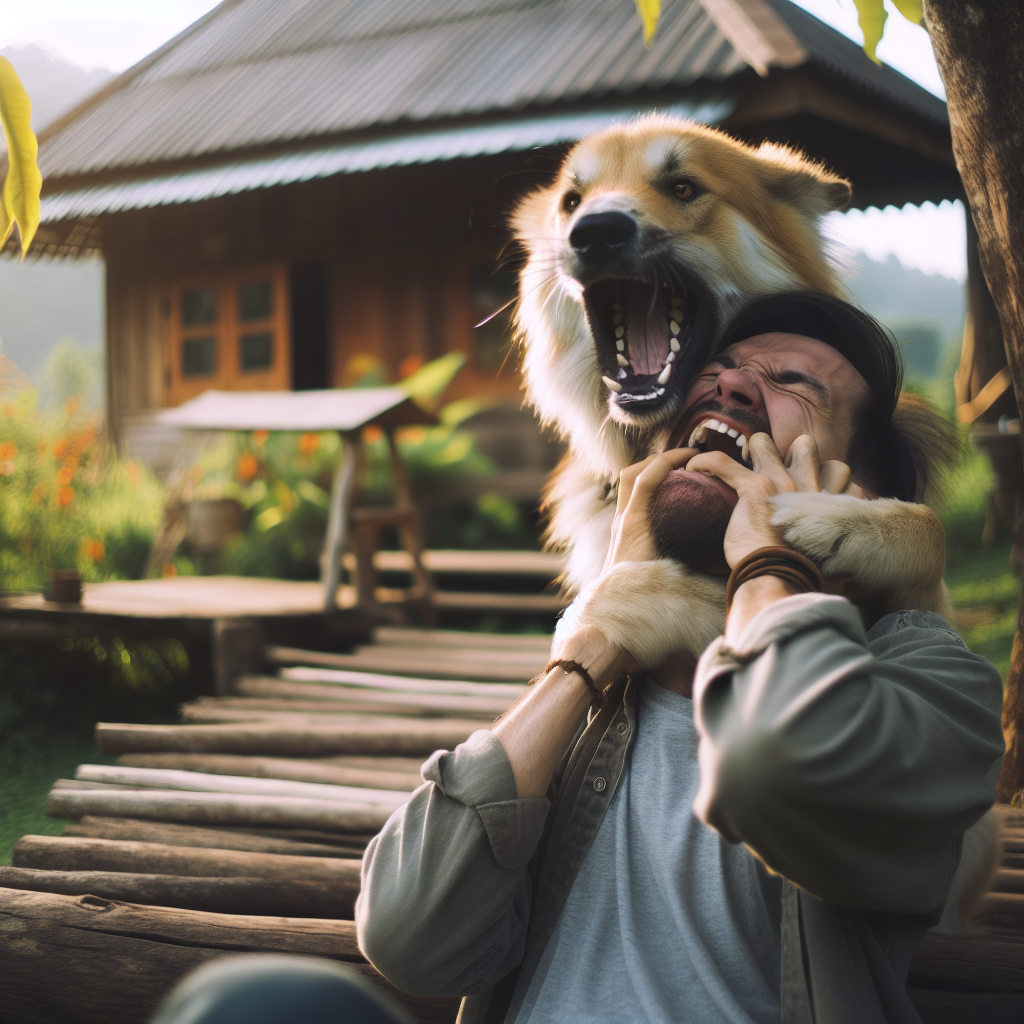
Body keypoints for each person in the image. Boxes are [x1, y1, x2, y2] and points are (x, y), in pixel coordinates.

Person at [356, 293, 1005, 1024]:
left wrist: (772, 561)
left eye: (794, 383)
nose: (729, 384)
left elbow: (770, 769)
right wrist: (591, 647)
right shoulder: (602, 682)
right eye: (721, 366)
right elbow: (408, 935)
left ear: (860, 496)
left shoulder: (933, 682)